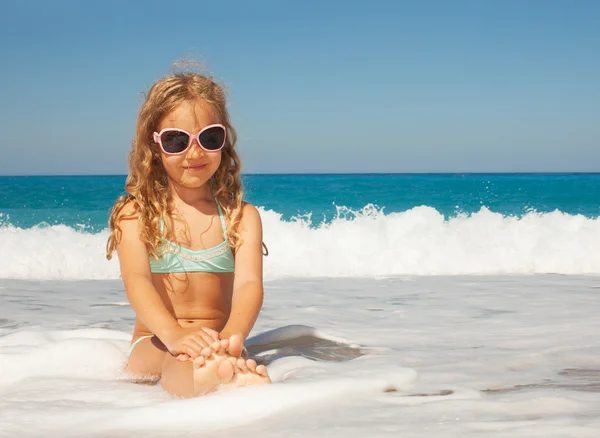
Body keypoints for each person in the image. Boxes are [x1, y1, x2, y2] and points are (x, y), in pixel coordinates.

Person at [106, 67, 271, 397]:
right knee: (175, 359)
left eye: (209, 138)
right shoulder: (135, 214)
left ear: (224, 139)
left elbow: (250, 285)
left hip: (219, 340)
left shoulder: (242, 217)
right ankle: (203, 382)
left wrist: (234, 338)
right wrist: (175, 335)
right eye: (177, 141)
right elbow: (136, 282)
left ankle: (225, 374)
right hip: (155, 341)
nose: (194, 153)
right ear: (154, 145)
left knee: (225, 359)